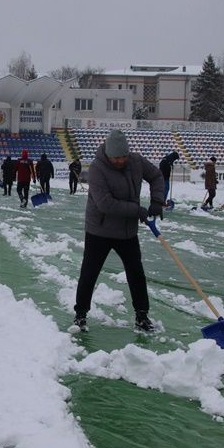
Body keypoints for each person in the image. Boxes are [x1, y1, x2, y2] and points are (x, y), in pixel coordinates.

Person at [73, 129, 164, 332]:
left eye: (123, 156)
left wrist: (157, 200)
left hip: (127, 232)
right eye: (116, 158)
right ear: (108, 154)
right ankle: (80, 314)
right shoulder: (97, 168)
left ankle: (142, 316)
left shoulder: (136, 161)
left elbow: (156, 176)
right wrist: (137, 210)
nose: (120, 160)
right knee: (89, 272)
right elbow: (105, 204)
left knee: (136, 273)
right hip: (99, 230)